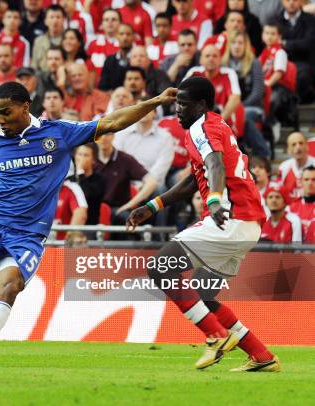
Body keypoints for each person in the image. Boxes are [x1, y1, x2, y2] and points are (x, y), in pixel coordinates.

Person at [0, 81, 177, 363]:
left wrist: (154, 102)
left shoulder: (58, 133)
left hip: (26, 236)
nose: (0, 120)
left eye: (6, 112)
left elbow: (112, 122)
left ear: (25, 106)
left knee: (9, 285)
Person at [126, 76, 279, 372]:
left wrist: (214, 202)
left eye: (182, 105)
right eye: (176, 104)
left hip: (229, 217)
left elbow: (215, 166)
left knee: (160, 268)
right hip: (247, 224)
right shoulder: (215, 124)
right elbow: (195, 179)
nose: (177, 111)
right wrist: (154, 205)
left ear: (201, 105)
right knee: (203, 296)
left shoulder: (202, 127)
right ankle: (261, 355)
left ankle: (216, 335)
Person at [222, 30, 269, 157]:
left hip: (252, 107)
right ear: (229, 45)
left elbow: (258, 92)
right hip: (228, 108)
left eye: (240, 43)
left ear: (245, 45)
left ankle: (263, 153)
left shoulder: (255, 63)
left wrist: (239, 107)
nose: (237, 46)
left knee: (244, 117)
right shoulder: (223, 65)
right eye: (234, 43)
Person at [277, 0, 315, 103]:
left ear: (301, 1)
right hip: (282, 63)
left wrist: (285, 44)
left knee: (303, 76)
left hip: (305, 64)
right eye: (288, 0)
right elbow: (274, 43)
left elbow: (308, 43)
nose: (291, 2)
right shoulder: (276, 20)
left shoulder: (310, 20)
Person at [277, 132, 315, 201]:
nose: (298, 147)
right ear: (288, 150)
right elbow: (279, 192)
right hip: (291, 209)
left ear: (307, 146)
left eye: (301, 143)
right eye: (294, 144)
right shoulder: (283, 167)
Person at [98, 23, 135, 91]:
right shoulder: (109, 60)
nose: (125, 37)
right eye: (121, 34)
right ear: (116, 36)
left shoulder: (139, 59)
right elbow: (103, 86)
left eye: (128, 34)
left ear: (133, 37)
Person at [31, 5, 66, 72]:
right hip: (42, 78)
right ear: (45, 21)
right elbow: (34, 66)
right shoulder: (38, 41)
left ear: (63, 19)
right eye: (51, 17)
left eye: (58, 17)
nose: (55, 20)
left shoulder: (68, 39)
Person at [288, 166, 314, 243]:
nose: (310, 183)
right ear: (301, 182)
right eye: (306, 179)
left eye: (314, 180)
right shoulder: (291, 208)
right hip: (297, 253)